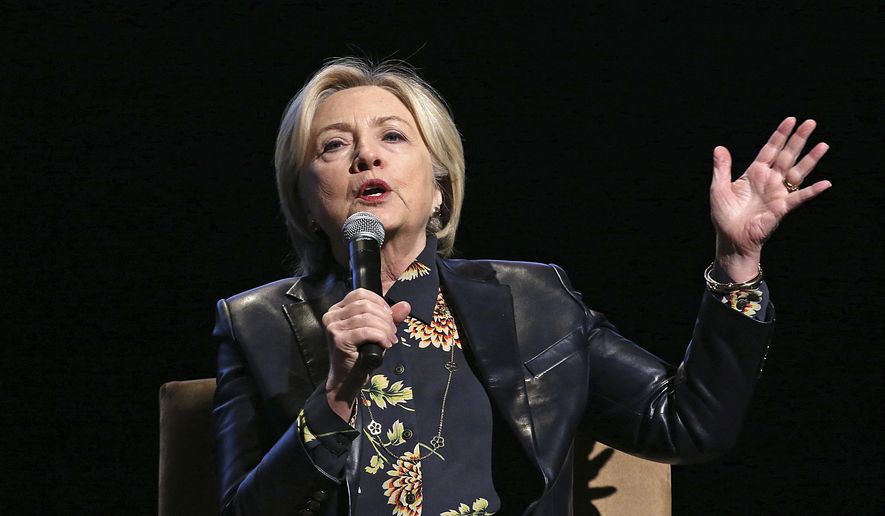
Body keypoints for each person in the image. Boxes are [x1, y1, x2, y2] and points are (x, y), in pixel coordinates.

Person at [212, 57, 831, 516]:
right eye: (333, 145)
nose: (365, 157)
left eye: (392, 137)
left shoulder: (536, 301)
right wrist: (337, 396)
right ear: (304, 197)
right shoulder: (255, 323)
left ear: (441, 183)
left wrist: (735, 264)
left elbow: (688, 424)